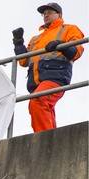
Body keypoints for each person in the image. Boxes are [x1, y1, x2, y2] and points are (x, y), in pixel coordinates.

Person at [12, 2, 84, 132]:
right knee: (44, 107)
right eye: (44, 13)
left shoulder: (68, 29)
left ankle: (44, 139)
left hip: (56, 77)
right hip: (36, 82)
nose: (46, 15)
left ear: (60, 15)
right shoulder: (36, 38)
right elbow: (23, 61)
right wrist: (18, 43)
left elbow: (77, 50)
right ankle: (52, 137)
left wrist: (61, 45)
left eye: (50, 12)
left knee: (38, 101)